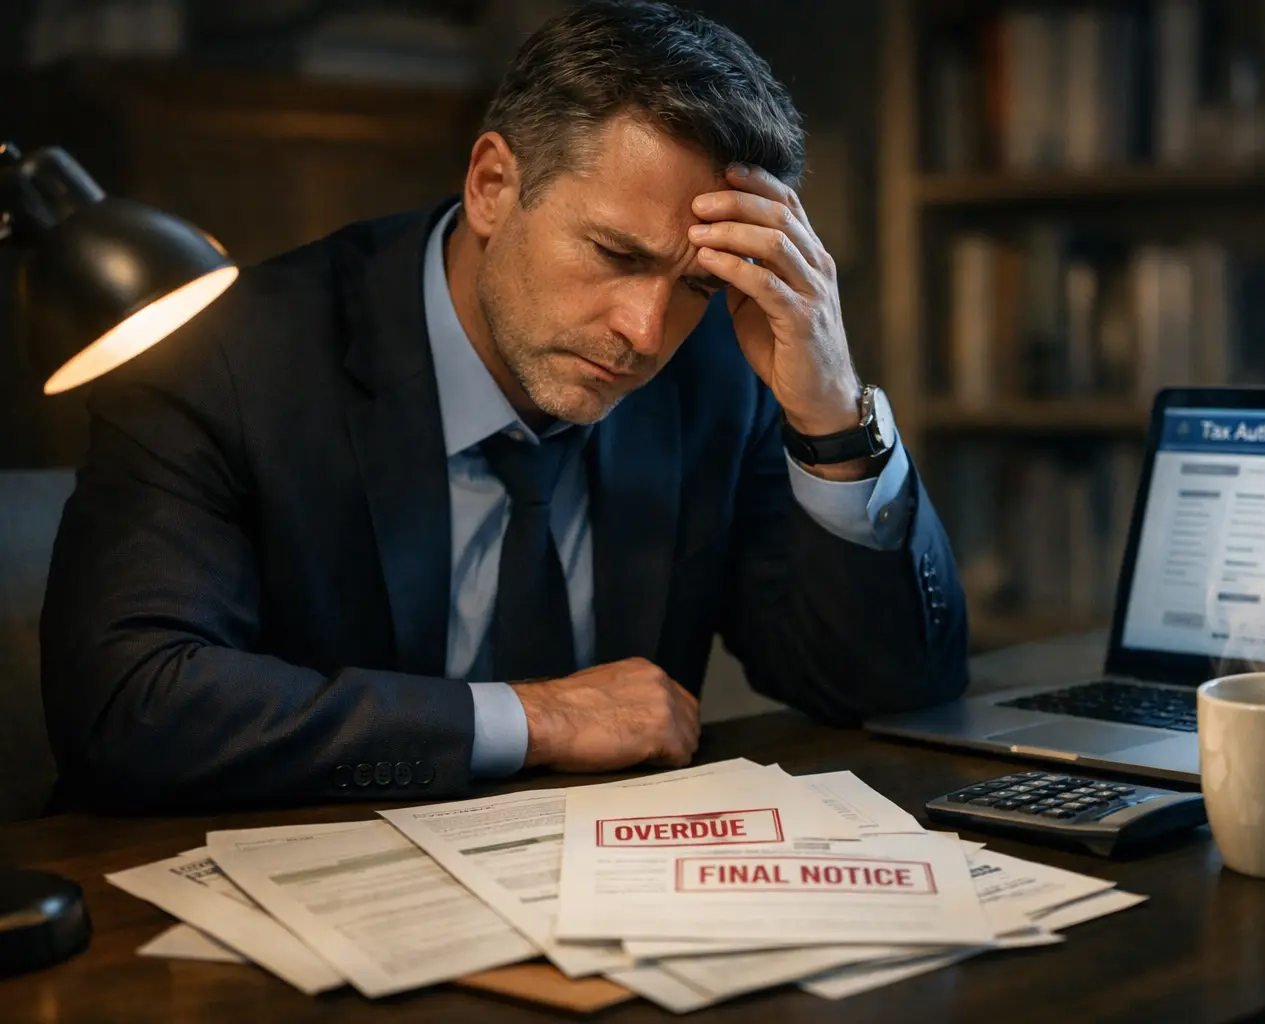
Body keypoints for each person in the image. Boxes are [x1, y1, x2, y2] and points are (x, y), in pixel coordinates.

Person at [40, 0, 967, 810]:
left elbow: (884, 687)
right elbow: (130, 705)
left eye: (689, 285)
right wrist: (535, 719)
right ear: (493, 185)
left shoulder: (722, 365)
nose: (644, 333)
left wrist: (835, 414)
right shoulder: (228, 356)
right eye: (616, 254)